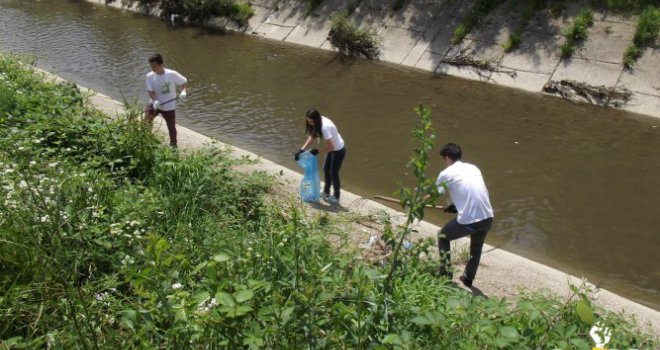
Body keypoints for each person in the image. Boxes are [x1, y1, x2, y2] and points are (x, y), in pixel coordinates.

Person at [435, 143, 494, 287]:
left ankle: (445, 274)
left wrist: (417, 204)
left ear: (447, 158)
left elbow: (434, 194)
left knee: (443, 236)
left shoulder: (446, 173)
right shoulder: (473, 168)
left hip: (472, 221)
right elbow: (472, 191)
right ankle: (468, 278)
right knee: (476, 247)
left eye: (444, 159)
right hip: (488, 216)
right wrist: (455, 206)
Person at [295, 109, 346, 205]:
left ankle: (336, 196)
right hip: (332, 148)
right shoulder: (317, 122)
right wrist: (301, 150)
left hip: (338, 150)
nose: (310, 124)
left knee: (333, 172)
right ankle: (326, 193)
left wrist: (317, 151)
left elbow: (332, 147)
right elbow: (312, 136)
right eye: (308, 121)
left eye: (311, 121)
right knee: (326, 169)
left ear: (316, 119)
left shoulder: (325, 128)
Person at [144, 53, 187, 147]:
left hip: (168, 106)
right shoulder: (149, 76)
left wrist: (183, 91)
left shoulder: (171, 74)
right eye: (151, 66)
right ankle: (146, 141)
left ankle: (173, 145)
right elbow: (150, 91)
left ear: (161, 64)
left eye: (154, 66)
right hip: (155, 104)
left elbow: (184, 82)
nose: (152, 69)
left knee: (171, 127)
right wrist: (155, 100)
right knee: (146, 122)